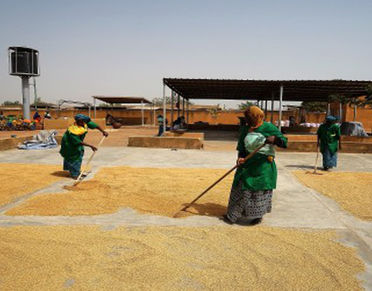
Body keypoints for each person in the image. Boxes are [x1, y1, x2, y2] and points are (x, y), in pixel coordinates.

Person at [223, 106, 287, 225]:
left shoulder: (268, 127)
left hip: (263, 166)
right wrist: (240, 158)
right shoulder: (245, 129)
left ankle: (257, 216)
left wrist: (275, 139)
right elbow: (241, 146)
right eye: (247, 118)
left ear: (259, 117)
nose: (249, 121)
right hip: (247, 163)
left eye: (251, 118)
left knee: (258, 190)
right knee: (240, 188)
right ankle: (232, 215)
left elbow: (284, 142)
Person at [60, 114, 108, 179]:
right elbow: (78, 141)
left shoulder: (85, 123)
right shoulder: (73, 130)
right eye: (80, 121)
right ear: (77, 121)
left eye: (83, 121)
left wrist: (103, 131)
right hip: (69, 144)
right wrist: (91, 146)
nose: (82, 123)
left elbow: (96, 126)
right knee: (74, 156)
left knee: (80, 153)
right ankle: (75, 174)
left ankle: (76, 171)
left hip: (78, 142)